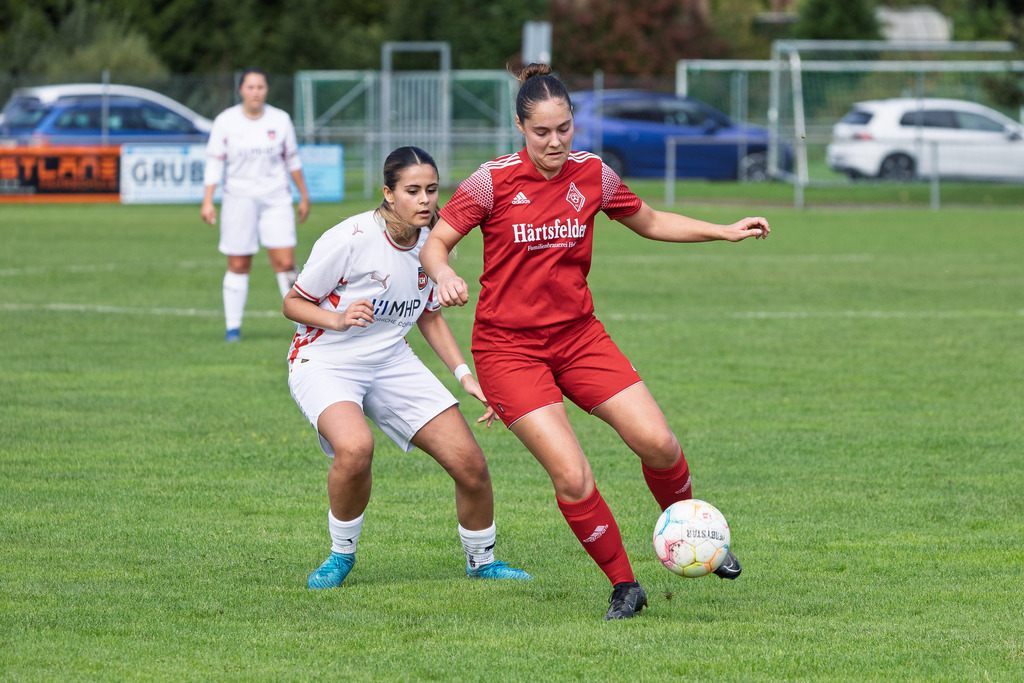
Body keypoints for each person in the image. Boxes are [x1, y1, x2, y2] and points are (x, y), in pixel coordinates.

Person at [420, 64, 770, 620]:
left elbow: (651, 220)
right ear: (520, 127)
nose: (555, 141)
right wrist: (442, 274)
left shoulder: (593, 175)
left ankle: (691, 534)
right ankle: (624, 585)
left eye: (564, 128)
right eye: (542, 132)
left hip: (579, 337)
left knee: (659, 443)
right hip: (508, 349)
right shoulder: (492, 180)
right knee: (573, 474)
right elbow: (435, 243)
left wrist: (723, 230)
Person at [284, 146, 531, 589]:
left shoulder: (431, 243)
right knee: (356, 448)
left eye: (431, 190)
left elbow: (429, 316)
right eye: (412, 190)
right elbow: (292, 302)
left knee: (470, 463)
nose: (424, 200)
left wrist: (465, 376)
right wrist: (338, 319)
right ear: (388, 193)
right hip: (325, 360)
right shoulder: (350, 237)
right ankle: (341, 555)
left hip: (391, 360)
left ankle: (482, 560)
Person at [202, 67, 311, 343]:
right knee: (238, 263)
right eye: (250, 87)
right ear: (241, 90)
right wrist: (208, 200)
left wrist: (304, 196)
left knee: (285, 262)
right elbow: (215, 161)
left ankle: (303, 323)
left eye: (260, 87)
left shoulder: (280, 119)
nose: (255, 92)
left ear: (266, 90)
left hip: (276, 199)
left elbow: (293, 160)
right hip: (238, 199)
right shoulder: (226, 121)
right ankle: (233, 329)